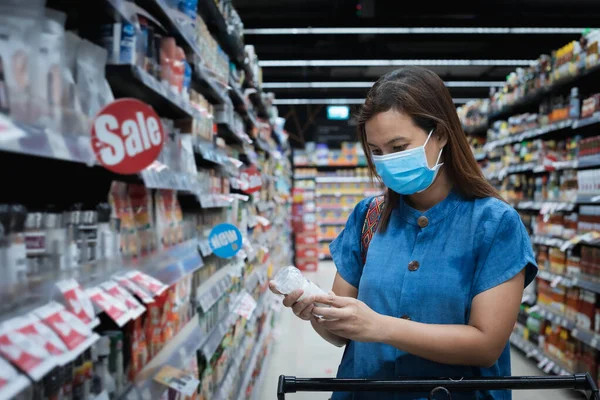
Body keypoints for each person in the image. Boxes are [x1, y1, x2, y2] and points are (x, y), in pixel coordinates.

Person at [269, 66, 537, 400]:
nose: (386, 162)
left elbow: (485, 346)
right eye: (376, 151)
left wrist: (380, 327)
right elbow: (341, 334)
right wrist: (316, 313)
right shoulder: (367, 217)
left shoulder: (495, 225)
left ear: (440, 134)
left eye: (398, 147)